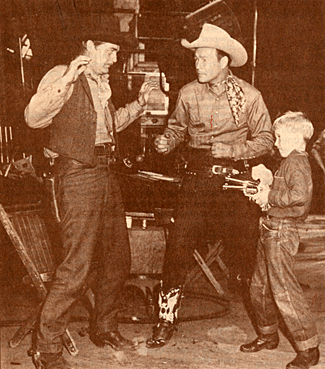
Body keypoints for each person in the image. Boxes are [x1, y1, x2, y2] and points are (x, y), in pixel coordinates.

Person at [24, 23, 157, 368]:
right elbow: (34, 117)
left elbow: (105, 128)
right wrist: (67, 78)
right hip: (76, 176)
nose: (114, 58)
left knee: (118, 259)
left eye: (116, 51)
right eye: (110, 50)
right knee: (76, 267)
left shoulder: (102, 84)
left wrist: (140, 106)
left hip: (104, 173)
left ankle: (104, 326)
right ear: (88, 45)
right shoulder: (62, 75)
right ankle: (47, 349)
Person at [146, 23, 274, 349]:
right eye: (196, 59)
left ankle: (267, 329)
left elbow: (266, 140)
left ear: (223, 61)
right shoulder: (188, 93)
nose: (197, 64)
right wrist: (167, 141)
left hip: (235, 178)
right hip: (198, 176)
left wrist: (234, 150)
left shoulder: (249, 96)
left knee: (246, 254)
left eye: (203, 59)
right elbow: (176, 128)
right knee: (178, 246)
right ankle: (166, 319)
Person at [240, 111, 320, 369]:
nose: (276, 143)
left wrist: (269, 196)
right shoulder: (289, 161)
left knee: (284, 291)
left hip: (282, 232)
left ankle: (309, 349)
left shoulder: (297, 161)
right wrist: (266, 184)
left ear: (297, 138)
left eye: (280, 137)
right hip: (269, 228)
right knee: (258, 287)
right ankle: (267, 335)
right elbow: (286, 189)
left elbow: (299, 196)